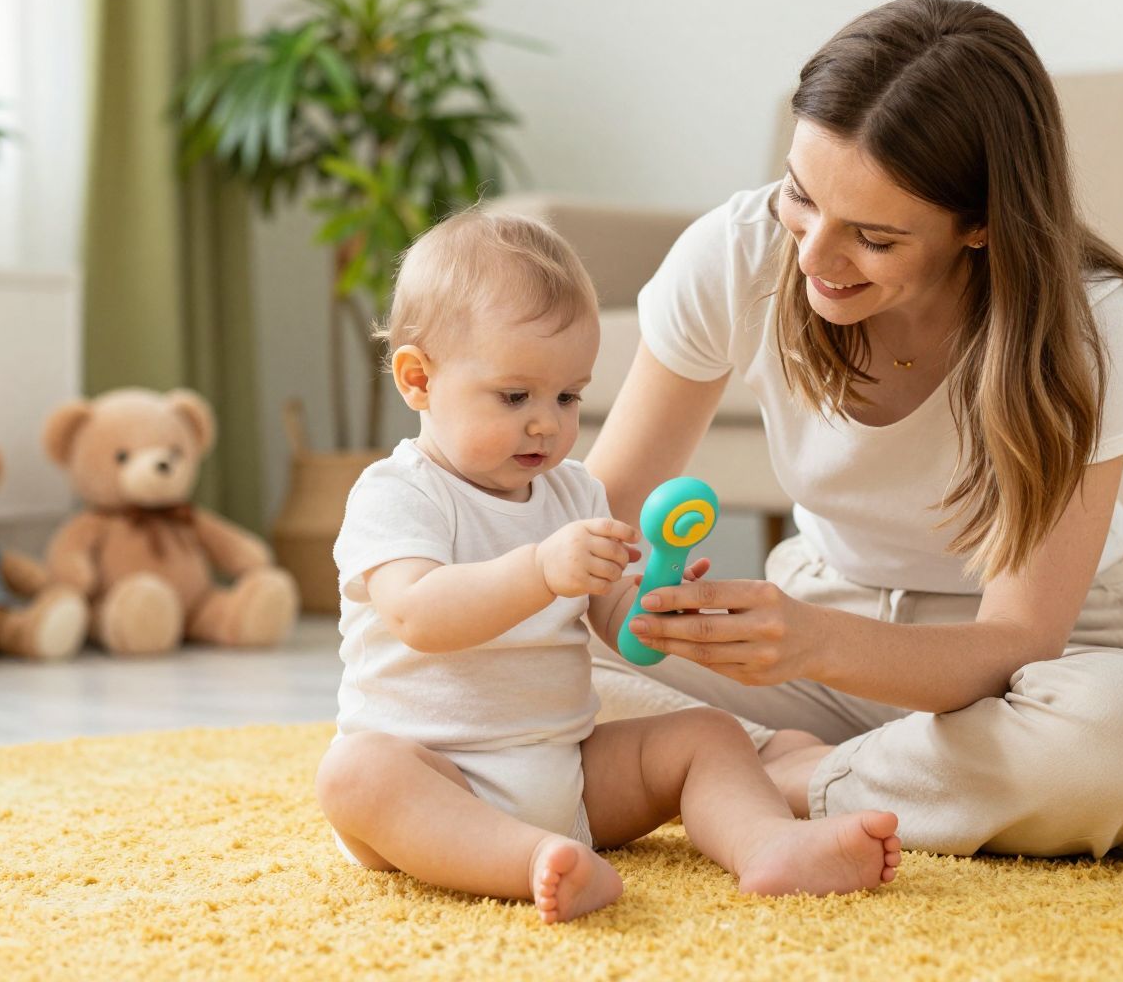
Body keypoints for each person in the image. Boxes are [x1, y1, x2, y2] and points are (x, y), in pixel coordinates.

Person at [584, 0, 1123, 858]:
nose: (812, 256)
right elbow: (597, 520)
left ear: (982, 224)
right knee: (496, 664)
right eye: (800, 196)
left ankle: (787, 780)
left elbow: (1018, 636)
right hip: (816, 625)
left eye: (874, 238)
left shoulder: (1081, 318)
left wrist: (812, 643)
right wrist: (645, 616)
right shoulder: (734, 252)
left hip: (1034, 670)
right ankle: (860, 771)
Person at [313, 209, 902, 925]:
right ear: (418, 380)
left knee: (708, 734)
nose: (547, 422)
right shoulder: (396, 494)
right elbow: (420, 616)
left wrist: (655, 603)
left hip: (566, 769)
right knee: (353, 775)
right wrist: (540, 568)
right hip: (435, 779)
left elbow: (616, 631)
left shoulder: (575, 492)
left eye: (569, 396)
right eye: (514, 396)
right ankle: (528, 860)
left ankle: (768, 842)